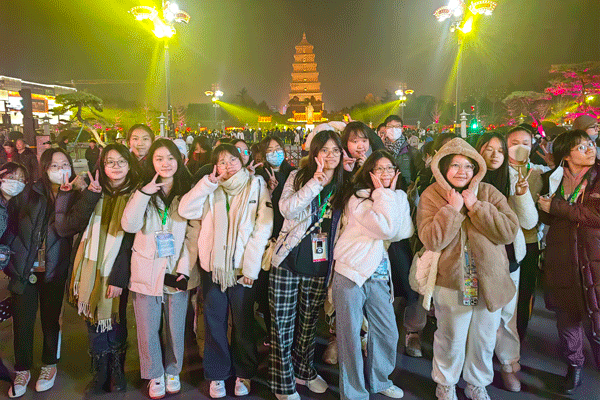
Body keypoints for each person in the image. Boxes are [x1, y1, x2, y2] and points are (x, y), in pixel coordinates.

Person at [417, 138, 519, 400]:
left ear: (477, 169)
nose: (462, 171)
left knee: (484, 337)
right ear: (442, 167)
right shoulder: (431, 195)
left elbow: (508, 231)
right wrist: (452, 210)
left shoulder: (488, 192)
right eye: (455, 165)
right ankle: (446, 383)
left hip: (489, 280)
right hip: (452, 280)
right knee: (450, 337)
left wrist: (476, 207)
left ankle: (477, 383)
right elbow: (431, 239)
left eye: (468, 166)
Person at [179, 143, 272, 398]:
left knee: (243, 323)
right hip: (213, 269)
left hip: (242, 269)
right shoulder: (210, 187)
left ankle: (244, 372)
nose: (228, 165)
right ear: (215, 166)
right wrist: (207, 184)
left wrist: (251, 267)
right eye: (222, 161)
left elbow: (263, 227)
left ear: (242, 162)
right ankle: (217, 373)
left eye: (233, 159)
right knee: (214, 322)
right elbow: (186, 210)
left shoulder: (256, 185)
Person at [2, 148, 87, 397]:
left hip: (54, 269)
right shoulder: (29, 191)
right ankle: (22, 369)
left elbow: (68, 227)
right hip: (23, 269)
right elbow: (10, 222)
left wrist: (74, 194)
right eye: (54, 165)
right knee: (22, 322)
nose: (60, 170)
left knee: (51, 321)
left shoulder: (73, 196)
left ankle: (49, 365)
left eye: (65, 164)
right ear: (44, 168)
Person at [269, 130, 345, 400]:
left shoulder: (344, 184)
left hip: (320, 264)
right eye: (324, 150)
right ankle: (283, 383)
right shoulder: (298, 176)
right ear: (314, 153)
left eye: (335, 150)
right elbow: (286, 209)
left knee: (309, 324)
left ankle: (304, 370)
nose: (330, 155)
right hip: (288, 259)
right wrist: (315, 182)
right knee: (282, 325)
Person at [332, 150, 413, 400]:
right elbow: (386, 228)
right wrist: (384, 195)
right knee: (350, 336)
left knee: (388, 332)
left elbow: (403, 231)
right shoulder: (358, 198)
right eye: (379, 169)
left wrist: (390, 195)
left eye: (390, 168)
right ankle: (354, 392)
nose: (385, 173)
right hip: (350, 271)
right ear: (369, 172)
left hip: (378, 274)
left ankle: (380, 380)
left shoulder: (396, 196)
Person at [121, 138, 197, 400]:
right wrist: (144, 193)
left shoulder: (188, 192)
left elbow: (193, 234)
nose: (166, 163)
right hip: (146, 268)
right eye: (159, 158)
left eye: (171, 158)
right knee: (147, 327)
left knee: (175, 327)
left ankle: (173, 370)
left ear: (180, 160)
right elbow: (129, 225)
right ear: (151, 162)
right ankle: (154, 373)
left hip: (176, 269)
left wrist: (185, 268)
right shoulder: (142, 190)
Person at [67, 144, 137, 393]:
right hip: (90, 267)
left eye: (121, 161)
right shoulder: (93, 190)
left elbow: (131, 241)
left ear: (129, 165)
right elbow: (74, 224)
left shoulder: (137, 194)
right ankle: (100, 372)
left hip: (118, 268)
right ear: (102, 165)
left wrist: (118, 277)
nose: (116, 167)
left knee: (116, 319)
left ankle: (117, 370)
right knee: (93, 319)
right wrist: (90, 195)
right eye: (110, 162)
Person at [537, 130, 600, 395]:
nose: (590, 149)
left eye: (591, 144)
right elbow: (546, 218)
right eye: (581, 147)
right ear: (566, 155)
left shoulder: (597, 177)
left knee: (597, 314)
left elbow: (595, 216)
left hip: (593, 257)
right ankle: (574, 366)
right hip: (561, 257)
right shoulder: (551, 179)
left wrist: (557, 207)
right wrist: (546, 207)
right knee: (566, 317)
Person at [476, 133, 538, 392]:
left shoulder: (514, 179)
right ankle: (477, 374)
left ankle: (508, 364)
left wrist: (522, 195)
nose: (495, 155)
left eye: (500, 150)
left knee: (507, 316)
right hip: (474, 261)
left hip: (508, 258)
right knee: (477, 318)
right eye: (488, 149)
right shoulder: (467, 177)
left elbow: (529, 222)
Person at [505, 126, 550, 340]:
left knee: (525, 292)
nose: (520, 147)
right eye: (514, 143)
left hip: (530, 241)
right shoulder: (499, 172)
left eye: (525, 143)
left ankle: (519, 335)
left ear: (532, 145)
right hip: (505, 241)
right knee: (504, 293)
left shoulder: (541, 173)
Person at [255, 136, 295, 346]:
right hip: (267, 241)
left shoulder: (293, 173)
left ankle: (290, 333)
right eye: (270, 150)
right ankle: (272, 332)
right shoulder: (259, 176)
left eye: (278, 148)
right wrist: (269, 191)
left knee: (287, 292)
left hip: (288, 239)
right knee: (267, 289)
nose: (275, 153)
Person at [382, 115, 420, 186]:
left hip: (405, 190)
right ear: (385, 129)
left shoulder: (412, 152)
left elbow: (419, 174)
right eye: (390, 126)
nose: (393, 129)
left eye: (397, 126)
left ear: (402, 129)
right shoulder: (380, 151)